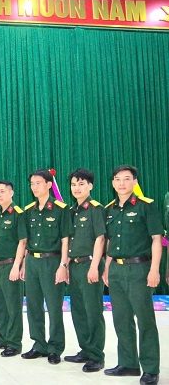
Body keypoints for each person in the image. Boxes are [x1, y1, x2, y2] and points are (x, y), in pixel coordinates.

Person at [102, 165, 163, 385]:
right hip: (116, 270)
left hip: (139, 269)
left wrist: (154, 269)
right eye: (117, 179)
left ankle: (151, 369)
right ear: (113, 183)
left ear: (135, 182)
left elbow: (156, 239)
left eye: (127, 179)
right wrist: (107, 268)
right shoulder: (109, 209)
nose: (122, 183)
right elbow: (110, 242)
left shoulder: (146, 206)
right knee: (121, 319)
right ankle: (128, 363)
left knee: (145, 320)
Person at [22, 169, 70, 365]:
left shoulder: (61, 209)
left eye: (38, 183)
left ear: (49, 184)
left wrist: (63, 265)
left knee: (54, 306)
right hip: (32, 261)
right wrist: (24, 264)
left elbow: (66, 240)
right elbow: (26, 241)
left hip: (52, 261)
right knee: (33, 305)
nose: (34, 187)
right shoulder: (28, 210)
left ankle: (55, 347)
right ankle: (39, 344)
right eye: (32, 184)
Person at [63, 168, 106, 373]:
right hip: (74, 266)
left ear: (90, 186)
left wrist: (95, 266)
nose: (77, 188)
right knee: (78, 310)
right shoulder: (71, 211)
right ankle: (86, 349)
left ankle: (96, 355)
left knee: (93, 311)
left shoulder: (95, 209)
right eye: (73, 184)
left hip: (90, 264)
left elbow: (100, 238)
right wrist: (66, 266)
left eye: (81, 184)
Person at [0, 180, 26, 357]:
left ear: (11, 193)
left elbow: (23, 242)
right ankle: (3, 337)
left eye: (2, 191)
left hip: (10, 265)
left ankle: (14, 343)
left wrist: (17, 266)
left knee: (13, 306)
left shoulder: (18, 214)